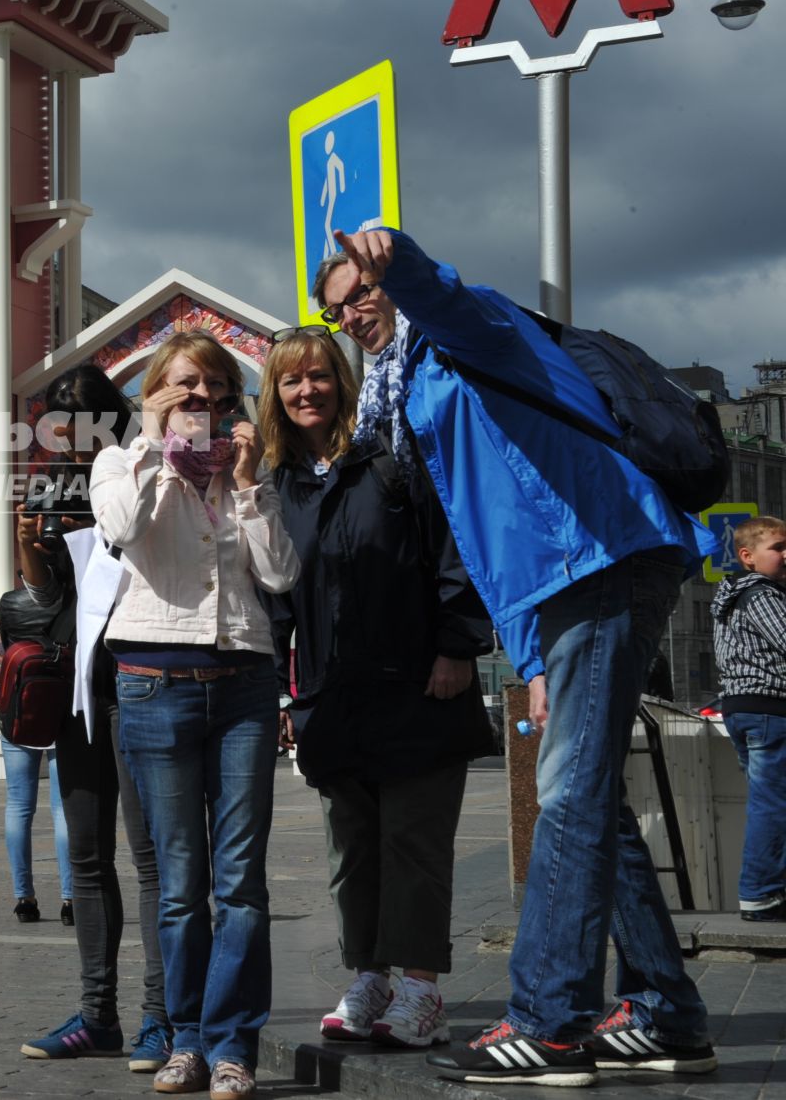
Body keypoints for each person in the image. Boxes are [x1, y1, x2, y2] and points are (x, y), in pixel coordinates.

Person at [320, 229, 719, 1083]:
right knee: (592, 799)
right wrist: (531, 655)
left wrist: (403, 261)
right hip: (561, 579)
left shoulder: (469, 332)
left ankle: (549, 1020)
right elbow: (490, 529)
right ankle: (666, 1010)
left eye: (359, 293)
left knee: (568, 792)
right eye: (334, 307)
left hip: (602, 552)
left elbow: (447, 297)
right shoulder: (408, 393)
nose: (350, 315)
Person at [258, 326, 493, 1052]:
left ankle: (420, 988)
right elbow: (276, 602)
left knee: (414, 843)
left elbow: (454, 546)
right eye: (292, 380)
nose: (307, 390)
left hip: (420, 684)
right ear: (275, 392)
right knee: (352, 849)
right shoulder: (278, 486)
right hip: (334, 699)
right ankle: (371, 974)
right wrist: (281, 693)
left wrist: (458, 645)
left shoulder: (391, 458)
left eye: (320, 375)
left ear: (343, 382)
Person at [92, 331, 299, 1099]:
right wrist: (154, 444)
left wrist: (246, 484)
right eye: (183, 388)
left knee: (240, 880)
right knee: (180, 880)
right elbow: (120, 530)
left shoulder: (247, 470)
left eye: (212, 389)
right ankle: (184, 1039)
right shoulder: (121, 462)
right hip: (153, 682)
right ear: (154, 395)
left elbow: (280, 572)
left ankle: (233, 1043)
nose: (199, 403)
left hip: (243, 680)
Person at [16, 364, 173, 1075]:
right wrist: (32, 539)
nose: (74, 443)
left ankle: (160, 1019)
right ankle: (97, 1014)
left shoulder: (146, 468)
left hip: (141, 676)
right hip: (81, 681)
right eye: (61, 427)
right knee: (84, 854)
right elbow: (47, 592)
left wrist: (104, 522)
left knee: (148, 857)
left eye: (86, 425)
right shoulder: (50, 480)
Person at [710, 515, 786, 923]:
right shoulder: (762, 596)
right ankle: (760, 893)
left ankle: (770, 887)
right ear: (748, 557)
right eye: (777, 548)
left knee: (770, 801)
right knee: (773, 805)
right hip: (770, 709)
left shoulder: (730, 597)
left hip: (742, 708)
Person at [0, 739, 72, 925]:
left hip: (18, 721)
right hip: (61, 725)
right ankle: (70, 900)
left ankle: (24, 899)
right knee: (63, 808)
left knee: (17, 805)